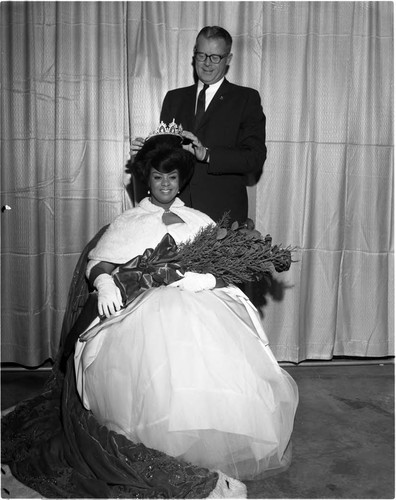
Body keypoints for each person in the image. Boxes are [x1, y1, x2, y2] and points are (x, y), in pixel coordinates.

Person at [74, 127, 298, 487]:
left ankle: (209, 428)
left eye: (172, 177)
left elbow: (228, 272)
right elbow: (101, 261)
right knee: (160, 341)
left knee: (210, 345)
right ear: (147, 179)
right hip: (142, 308)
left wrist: (207, 281)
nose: (165, 184)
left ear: (181, 180)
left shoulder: (200, 220)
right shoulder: (128, 221)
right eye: (158, 176)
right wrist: (102, 282)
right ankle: (159, 433)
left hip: (200, 302)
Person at [132, 25, 266, 223]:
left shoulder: (246, 99)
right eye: (202, 55)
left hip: (223, 215)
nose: (207, 63)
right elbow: (166, 158)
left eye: (215, 57)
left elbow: (254, 158)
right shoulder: (174, 98)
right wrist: (146, 152)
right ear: (194, 54)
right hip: (176, 212)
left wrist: (208, 155)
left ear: (228, 59)